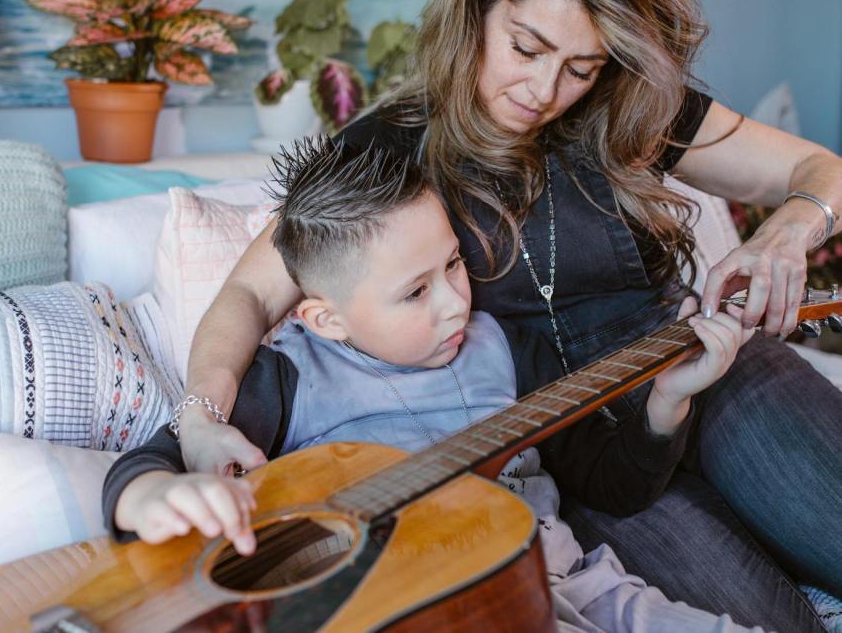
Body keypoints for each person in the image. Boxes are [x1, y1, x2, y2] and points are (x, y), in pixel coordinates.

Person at [177, 0, 842, 631]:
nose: (545, 92)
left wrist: (789, 229)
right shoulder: (388, 148)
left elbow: (819, 170)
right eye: (526, 49)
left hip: (710, 368)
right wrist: (200, 418)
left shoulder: (631, 106)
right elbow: (249, 293)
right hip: (590, 459)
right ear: (477, 11)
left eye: (581, 67)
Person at [104, 139, 758, 632]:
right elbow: (151, 463)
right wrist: (154, 493)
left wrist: (668, 400)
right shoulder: (289, 379)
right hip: (422, 606)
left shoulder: (504, 347)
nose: (453, 303)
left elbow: (609, 483)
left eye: (452, 264)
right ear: (327, 319)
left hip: (575, 584)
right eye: (415, 291)